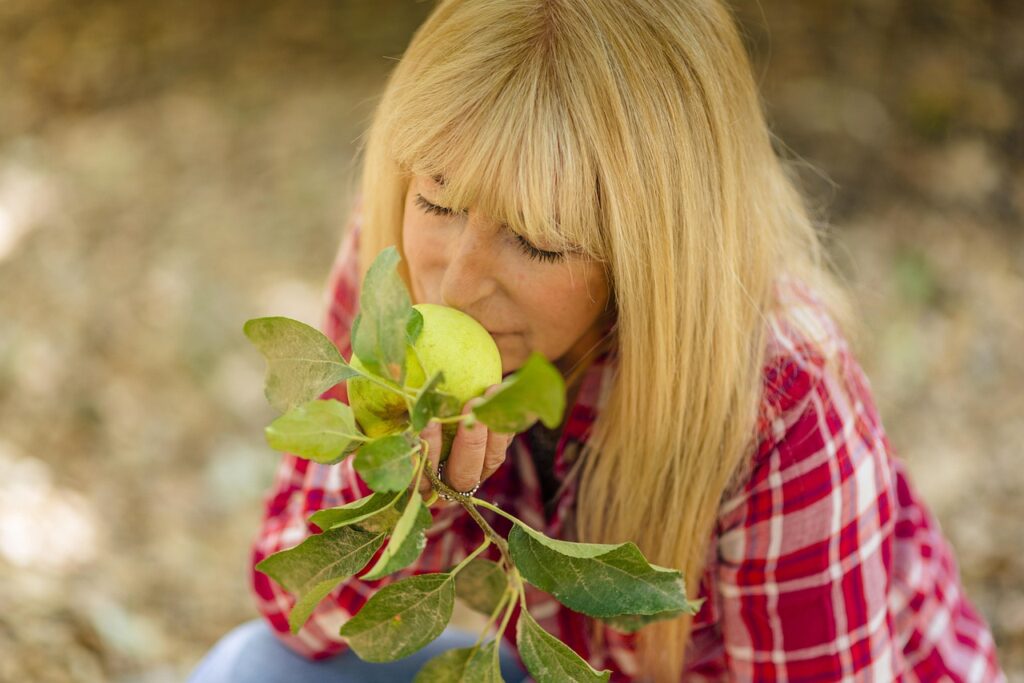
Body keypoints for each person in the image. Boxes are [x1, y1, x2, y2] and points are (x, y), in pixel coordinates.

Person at [188, 0, 1007, 681]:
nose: (456, 283)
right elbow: (298, 607)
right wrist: (407, 495)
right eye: (438, 200)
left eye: (539, 243)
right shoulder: (401, 272)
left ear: (648, 257)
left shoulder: (781, 397)